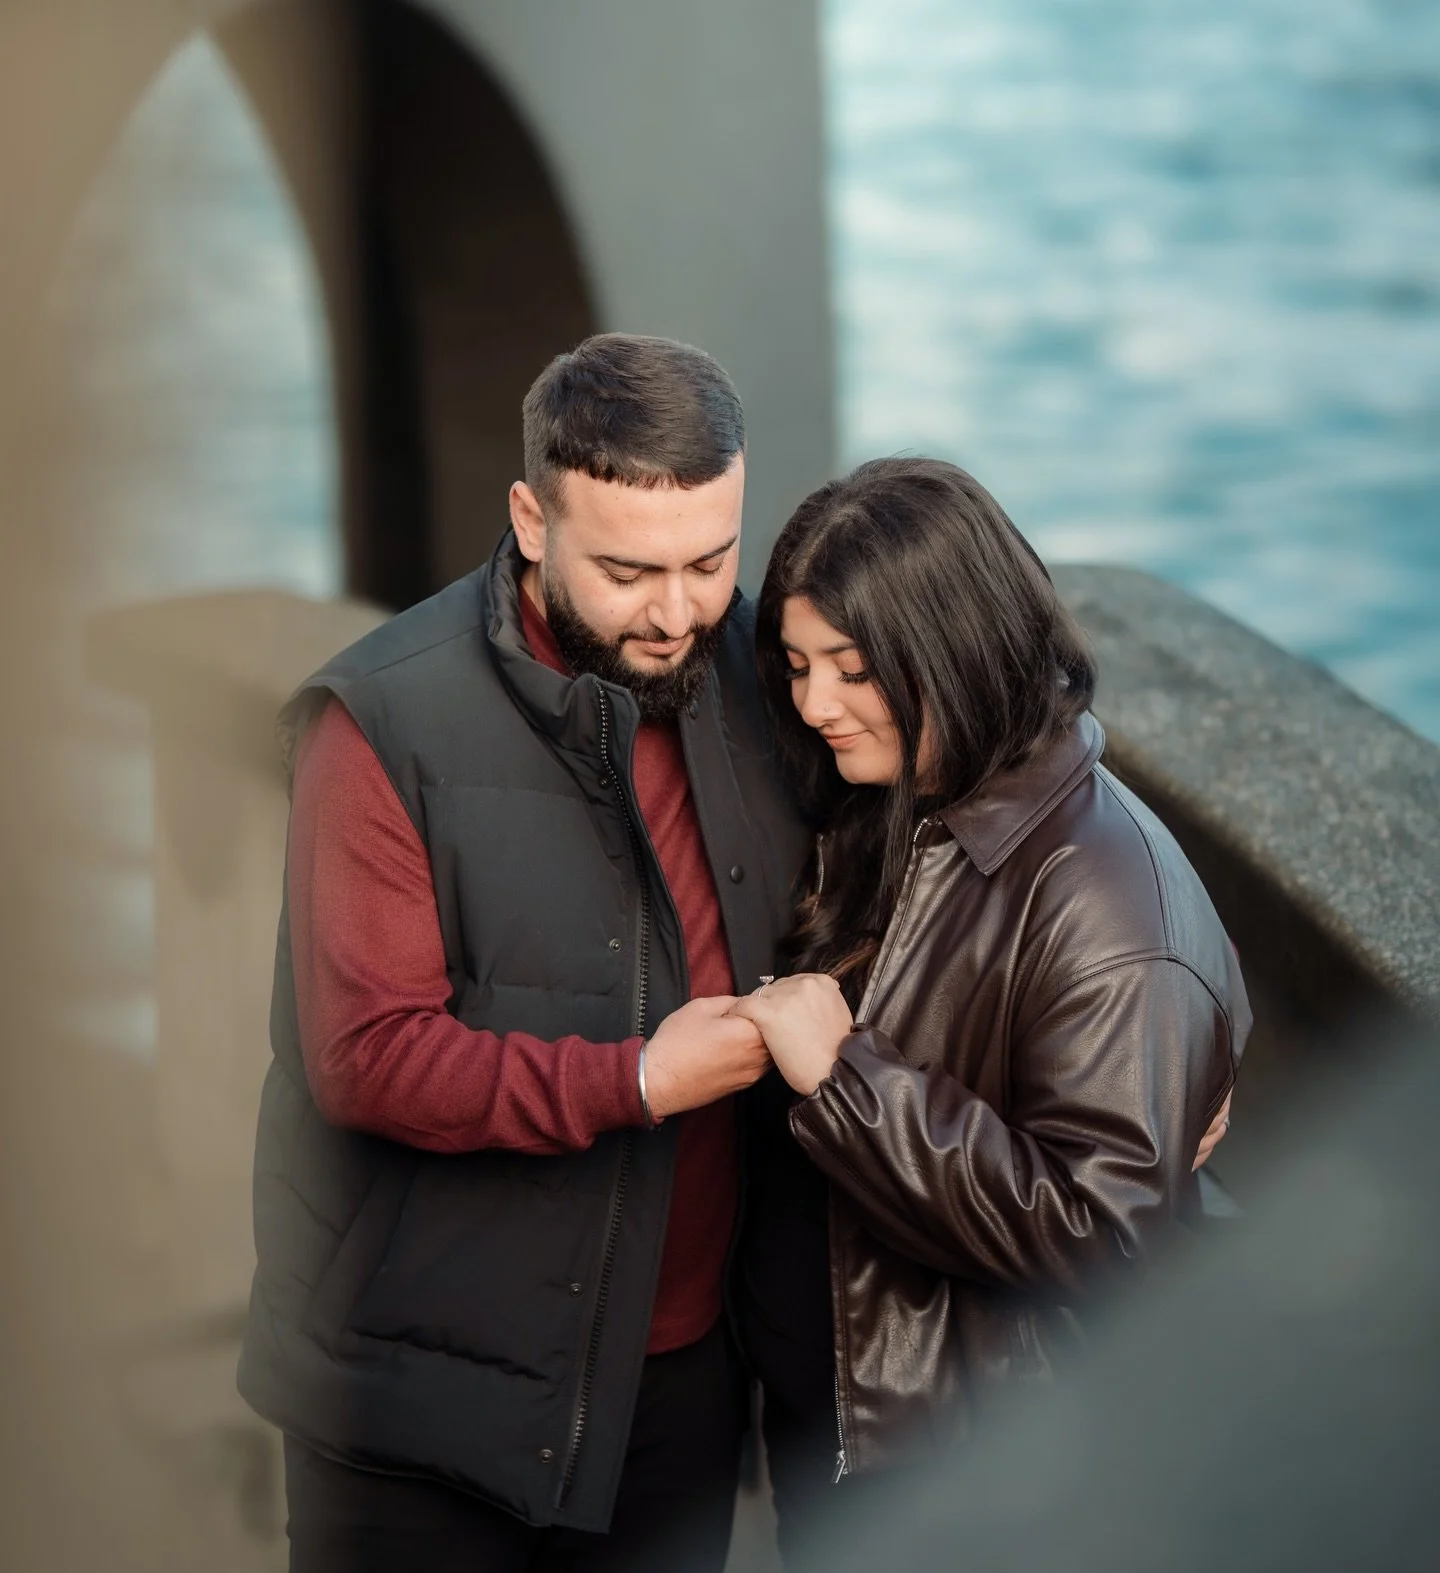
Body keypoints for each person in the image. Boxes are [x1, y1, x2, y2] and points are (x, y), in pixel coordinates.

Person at [237, 333, 810, 1572]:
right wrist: (639, 1081)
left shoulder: (766, 677)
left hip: (680, 1385)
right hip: (416, 1401)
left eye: (711, 560)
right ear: (530, 519)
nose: (676, 612)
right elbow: (365, 1059)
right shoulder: (377, 723)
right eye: (628, 570)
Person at [731, 456, 1249, 1564]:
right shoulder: (894, 804)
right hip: (845, 1435)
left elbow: (1100, 1235)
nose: (816, 704)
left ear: (952, 649)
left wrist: (846, 1077)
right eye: (797, 666)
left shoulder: (1112, 904)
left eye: (854, 669)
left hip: (982, 1481)